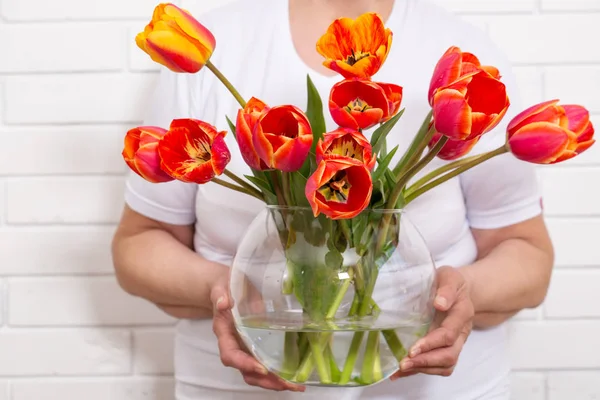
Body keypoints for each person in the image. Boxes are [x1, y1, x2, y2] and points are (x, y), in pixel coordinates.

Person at [111, 0, 555, 399]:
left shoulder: (463, 58)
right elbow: (138, 245)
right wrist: (227, 292)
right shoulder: (225, 42)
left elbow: (529, 257)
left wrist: (465, 292)